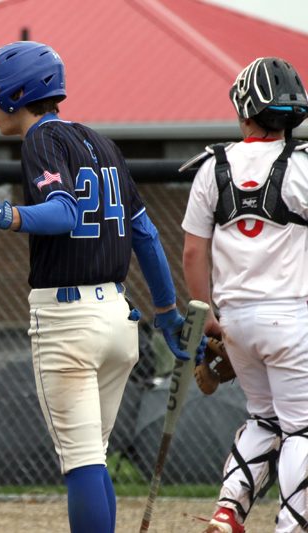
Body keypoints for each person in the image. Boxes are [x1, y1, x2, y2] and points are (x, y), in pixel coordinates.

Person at [0, 41, 205, 533]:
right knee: (94, 457)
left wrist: (6, 215)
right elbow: (147, 234)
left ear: (18, 93)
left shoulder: (39, 141)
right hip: (118, 318)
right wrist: (168, 313)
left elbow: (65, 212)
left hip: (68, 321)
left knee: (82, 462)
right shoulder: (103, 142)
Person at [181, 57, 308, 533]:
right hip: (293, 317)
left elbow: (194, 253)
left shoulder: (212, 166)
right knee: (301, 428)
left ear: (245, 109)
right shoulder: (301, 167)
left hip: (233, 321)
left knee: (264, 420)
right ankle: (291, 526)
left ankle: (227, 511)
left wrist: (207, 319)